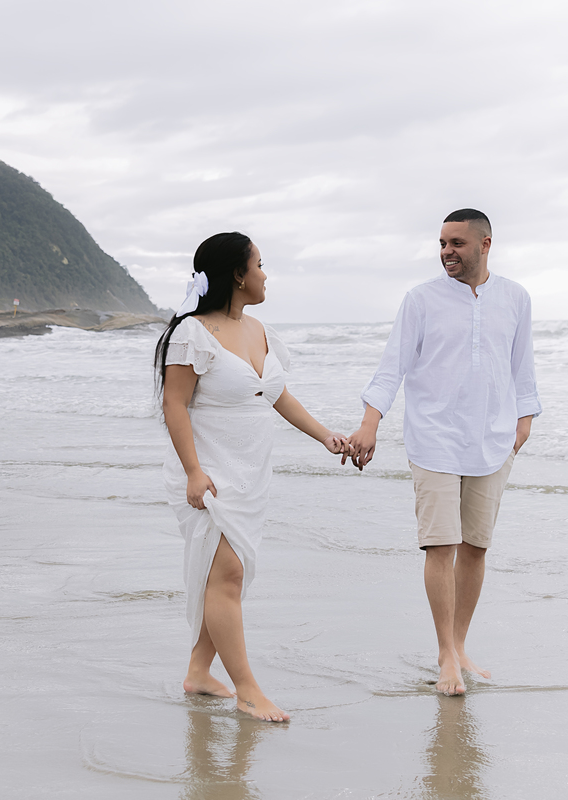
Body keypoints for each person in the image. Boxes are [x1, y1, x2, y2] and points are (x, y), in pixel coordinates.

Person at [344, 209, 541, 696]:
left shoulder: (515, 298)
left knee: (476, 548)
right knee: (441, 544)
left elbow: (523, 367)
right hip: (433, 438)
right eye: (441, 243)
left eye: (456, 243)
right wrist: (370, 423)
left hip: (493, 441)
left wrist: (525, 422)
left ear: (485, 244)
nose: (446, 252)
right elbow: (392, 366)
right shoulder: (421, 300)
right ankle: (445, 656)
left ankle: (459, 644)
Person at [156, 232, 348, 722]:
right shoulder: (191, 333)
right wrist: (193, 472)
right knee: (228, 574)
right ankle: (247, 689)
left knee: (226, 575)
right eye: (260, 264)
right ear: (239, 275)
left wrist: (324, 435)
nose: (266, 274)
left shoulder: (259, 329)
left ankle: (199, 673)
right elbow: (173, 404)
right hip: (209, 471)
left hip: (251, 473)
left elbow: (275, 394)